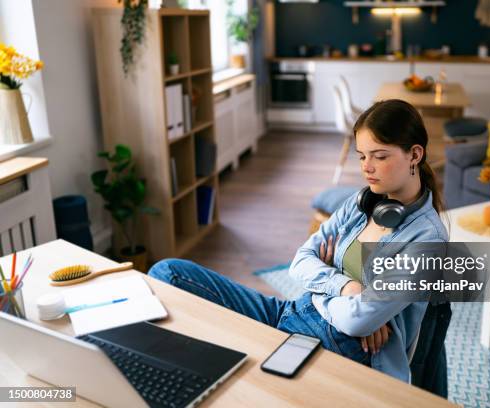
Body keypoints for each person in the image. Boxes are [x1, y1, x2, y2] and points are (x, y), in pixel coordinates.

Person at [148, 99, 449, 390]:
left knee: (243, 376)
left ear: (415, 154)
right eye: (361, 156)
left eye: (379, 156)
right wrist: (346, 287)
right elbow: (300, 261)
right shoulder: (362, 202)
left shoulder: (427, 239)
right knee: (168, 273)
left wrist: (326, 283)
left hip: (337, 341)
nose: (366, 168)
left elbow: (357, 322)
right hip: (292, 310)